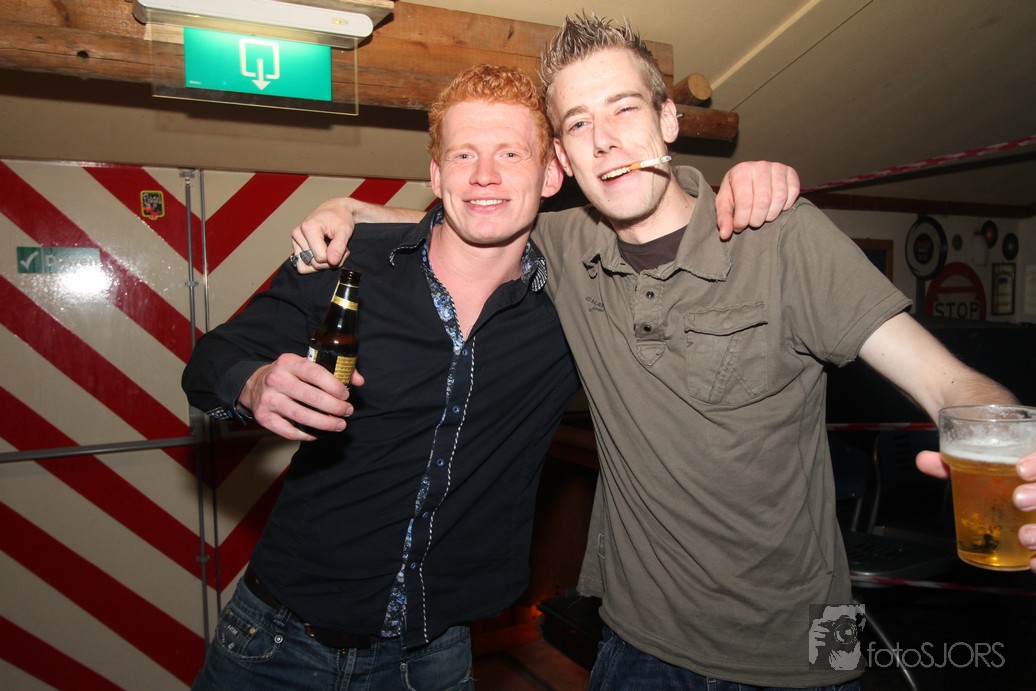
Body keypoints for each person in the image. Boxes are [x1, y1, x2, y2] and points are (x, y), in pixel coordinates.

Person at [289, 13, 1025, 690]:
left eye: (625, 109)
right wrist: (348, 210)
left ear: (669, 120)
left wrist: (1012, 448)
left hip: (804, 647)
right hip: (636, 646)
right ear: (563, 158)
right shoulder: (563, 246)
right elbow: (471, 218)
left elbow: (950, 383)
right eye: (579, 123)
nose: (605, 140)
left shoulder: (781, 238)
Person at [182, 62, 794, 690]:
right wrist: (252, 383)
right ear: (436, 174)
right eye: (464, 154)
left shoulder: (579, 297)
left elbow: (668, 232)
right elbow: (209, 363)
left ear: (552, 174)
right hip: (275, 643)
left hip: (433, 659)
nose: (484, 175)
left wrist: (751, 182)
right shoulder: (346, 263)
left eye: (510, 153)